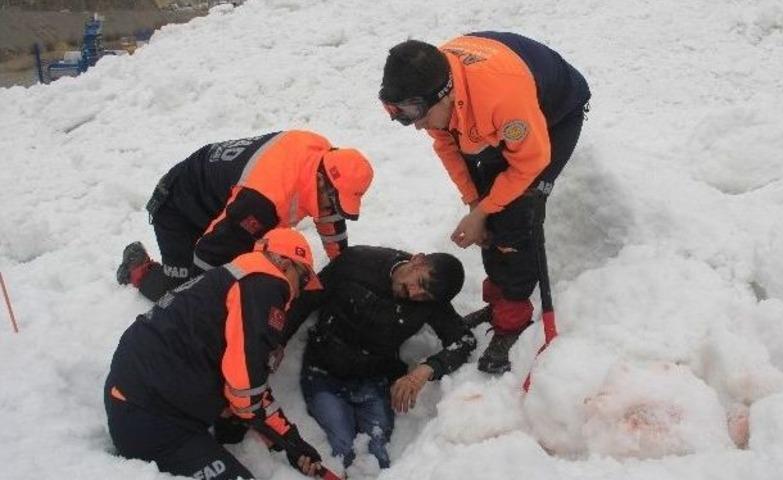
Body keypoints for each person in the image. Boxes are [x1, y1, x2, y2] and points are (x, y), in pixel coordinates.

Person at [379, 32, 591, 374]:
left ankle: (513, 319)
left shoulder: (502, 98)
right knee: (490, 217)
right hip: (482, 114)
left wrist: (486, 210)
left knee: (518, 216)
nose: (415, 124)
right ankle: (498, 303)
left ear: (444, 95)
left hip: (553, 114)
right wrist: (475, 204)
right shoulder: (430, 81)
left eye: (415, 113)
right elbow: (447, 146)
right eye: (401, 112)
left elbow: (530, 163)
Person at [105, 228, 326, 480]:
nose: (299, 292)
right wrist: (291, 441)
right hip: (148, 417)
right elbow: (246, 391)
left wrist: (289, 443)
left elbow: (239, 378)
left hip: (137, 393)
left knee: (233, 425)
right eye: (305, 279)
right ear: (285, 263)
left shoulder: (235, 277)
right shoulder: (266, 285)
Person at [116, 130, 374, 302]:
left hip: (220, 199)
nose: (332, 207)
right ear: (320, 180)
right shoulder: (265, 200)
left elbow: (329, 212)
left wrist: (342, 266)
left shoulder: (321, 154)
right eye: (333, 199)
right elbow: (207, 255)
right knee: (182, 291)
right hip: (179, 207)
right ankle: (139, 270)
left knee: (245, 255)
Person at [286, 246, 476, 468]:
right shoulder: (356, 262)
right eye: (421, 284)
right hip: (323, 371)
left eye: (425, 296)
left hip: (373, 379)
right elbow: (304, 302)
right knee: (341, 447)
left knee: (376, 455)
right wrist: (275, 344)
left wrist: (426, 370)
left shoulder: (431, 303)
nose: (416, 295)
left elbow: (464, 341)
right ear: (418, 260)